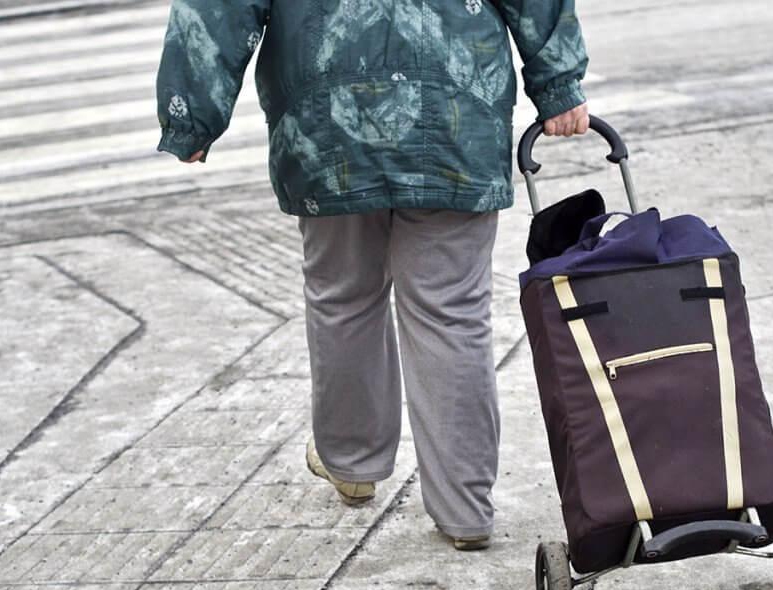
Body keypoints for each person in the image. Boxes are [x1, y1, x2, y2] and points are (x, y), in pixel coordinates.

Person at [156, 0, 590, 550]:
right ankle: (464, 512)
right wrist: (558, 85)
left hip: (325, 118)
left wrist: (192, 114)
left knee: (343, 296)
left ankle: (353, 464)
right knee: (449, 309)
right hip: (455, 103)